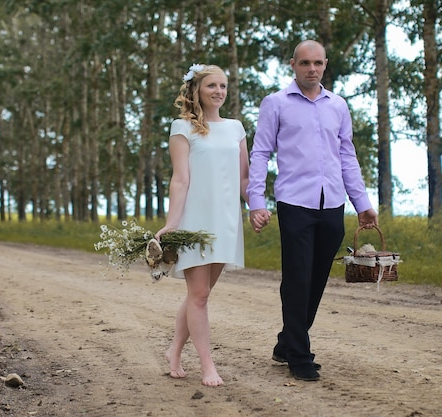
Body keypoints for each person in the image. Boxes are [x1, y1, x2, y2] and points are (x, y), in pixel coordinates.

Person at [247, 40, 378, 382]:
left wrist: (362, 204)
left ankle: (286, 342)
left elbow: (347, 155)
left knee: (317, 278)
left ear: (325, 64)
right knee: (297, 278)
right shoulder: (275, 103)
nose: (312, 69)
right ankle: (299, 356)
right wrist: (256, 201)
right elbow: (260, 153)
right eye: (305, 63)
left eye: (318, 63)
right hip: (295, 202)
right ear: (293, 64)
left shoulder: (338, 105)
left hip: (332, 202)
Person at [155, 64, 249, 387]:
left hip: (226, 221)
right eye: (212, 85)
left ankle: (174, 351)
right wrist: (172, 224)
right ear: (197, 89)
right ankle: (207, 365)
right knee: (199, 294)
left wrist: (260, 207)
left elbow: (244, 178)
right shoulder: (182, 128)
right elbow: (180, 180)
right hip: (195, 220)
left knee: (201, 294)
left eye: (223, 86)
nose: (219, 91)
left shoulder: (236, 128)